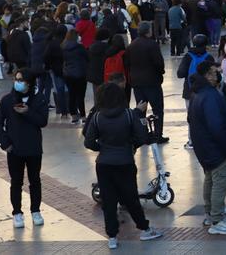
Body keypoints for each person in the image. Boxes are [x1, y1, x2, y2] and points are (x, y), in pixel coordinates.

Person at [83, 82, 164, 248]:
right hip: (125, 162)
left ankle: (112, 236)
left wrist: (103, 148)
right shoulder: (128, 115)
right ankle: (145, 229)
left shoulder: (98, 117)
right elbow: (141, 137)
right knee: (131, 198)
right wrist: (130, 146)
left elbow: (89, 142)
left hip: (104, 164)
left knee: (109, 200)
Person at [187, 61, 226, 235]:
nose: (216, 75)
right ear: (206, 75)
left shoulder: (198, 93)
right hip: (216, 149)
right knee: (221, 182)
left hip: (204, 148)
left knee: (210, 179)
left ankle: (210, 212)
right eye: (213, 72)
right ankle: (216, 220)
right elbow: (217, 126)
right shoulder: (210, 96)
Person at [0, 68, 49, 229]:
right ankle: (17, 212)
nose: (17, 82)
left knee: (35, 180)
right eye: (16, 79)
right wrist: (6, 144)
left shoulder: (39, 99)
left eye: (21, 80)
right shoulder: (8, 100)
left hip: (33, 148)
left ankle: (35, 210)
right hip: (14, 149)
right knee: (16, 182)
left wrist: (28, 112)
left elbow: (42, 121)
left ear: (29, 83)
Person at [62, 30, 89, 125]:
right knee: (81, 96)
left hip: (68, 74)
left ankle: (74, 116)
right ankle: (83, 116)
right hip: (80, 74)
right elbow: (87, 57)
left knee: (71, 95)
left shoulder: (63, 47)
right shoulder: (80, 47)